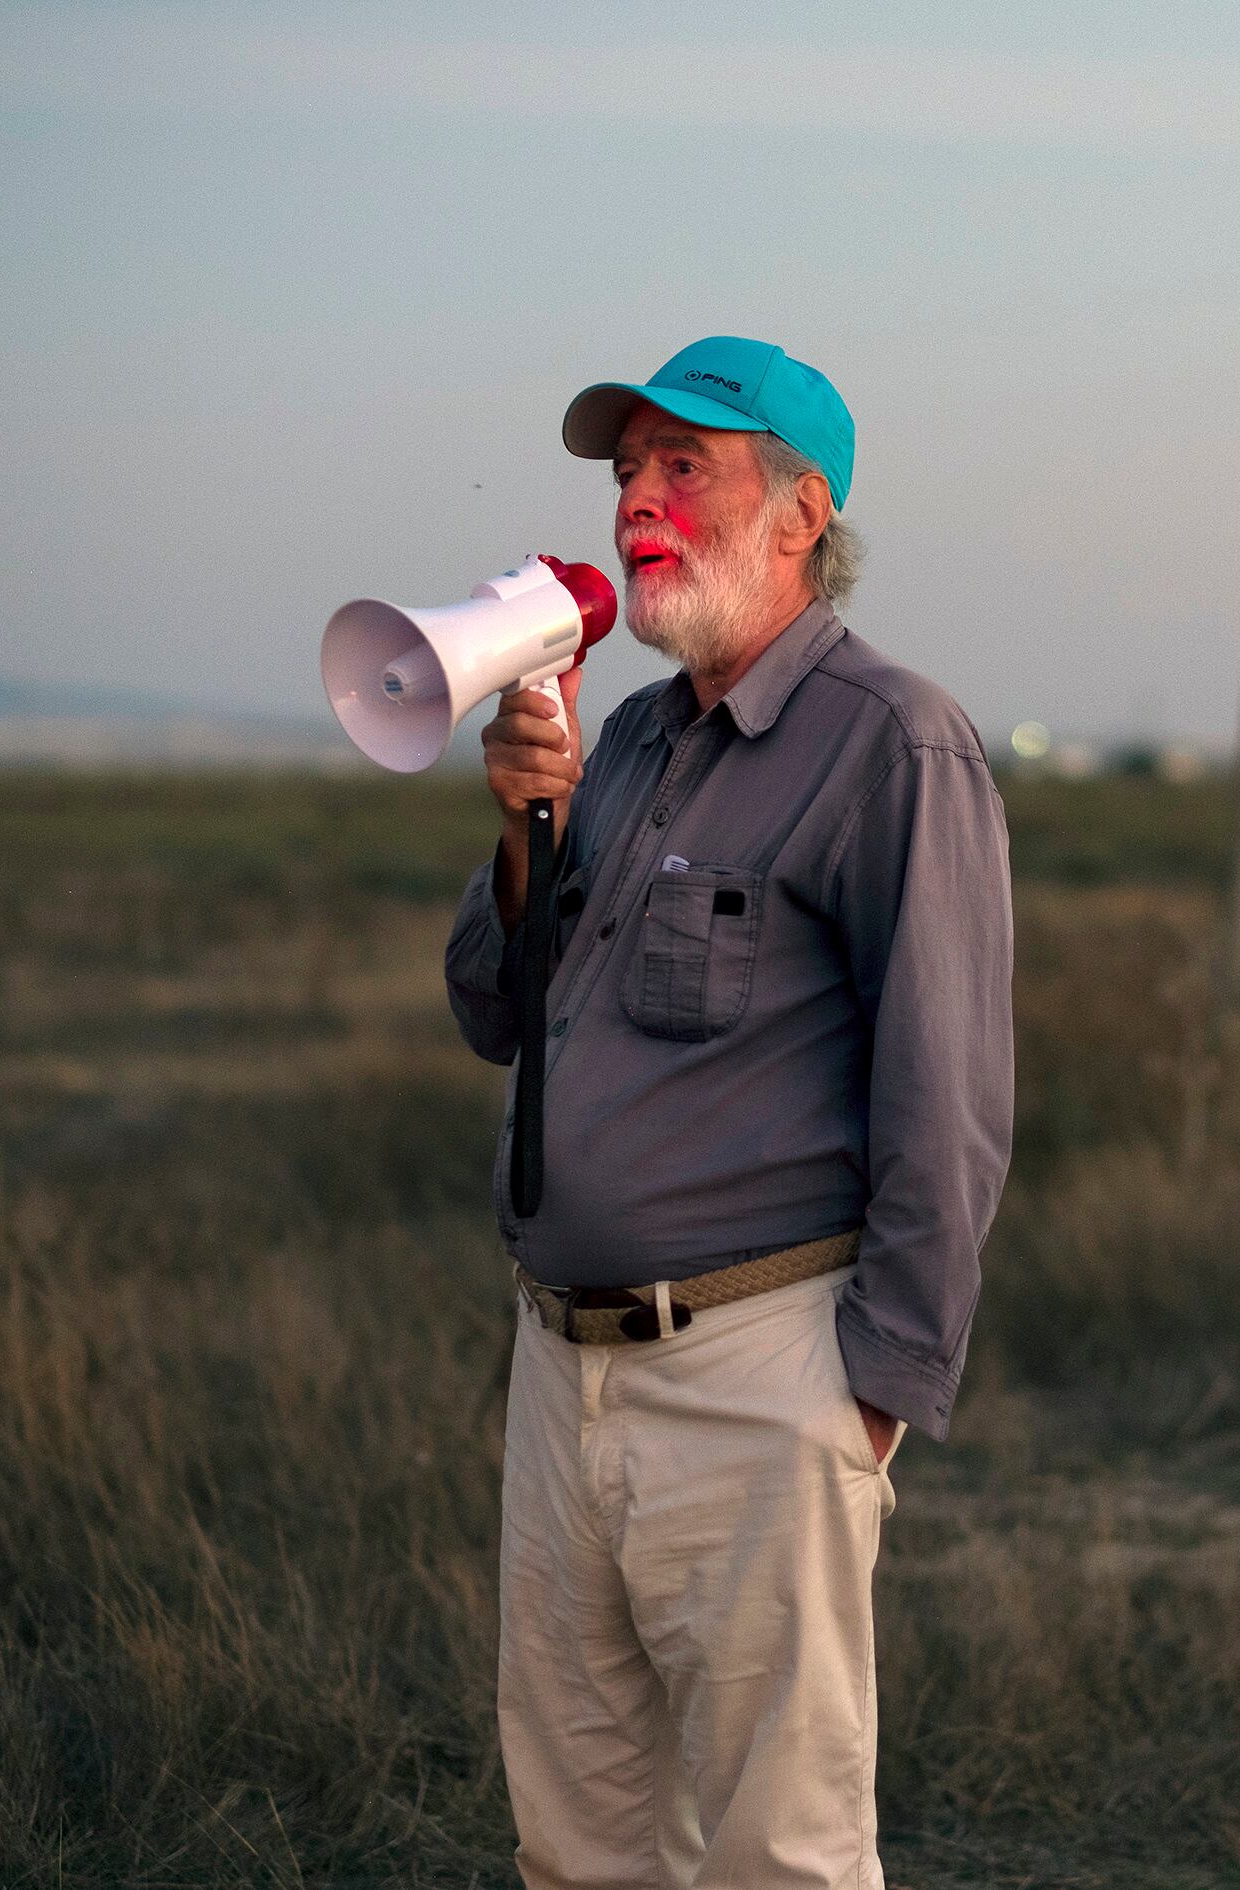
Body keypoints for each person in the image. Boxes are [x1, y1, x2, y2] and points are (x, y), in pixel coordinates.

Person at [442, 336, 1014, 1888]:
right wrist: (523, 831)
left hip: (764, 1377)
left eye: (683, 466)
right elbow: (495, 1010)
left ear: (799, 513)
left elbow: (949, 1096)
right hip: (563, 1377)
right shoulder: (620, 742)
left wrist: (872, 1397)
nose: (638, 501)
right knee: (577, 1840)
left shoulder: (892, 744)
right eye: (628, 471)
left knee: (778, 1854)